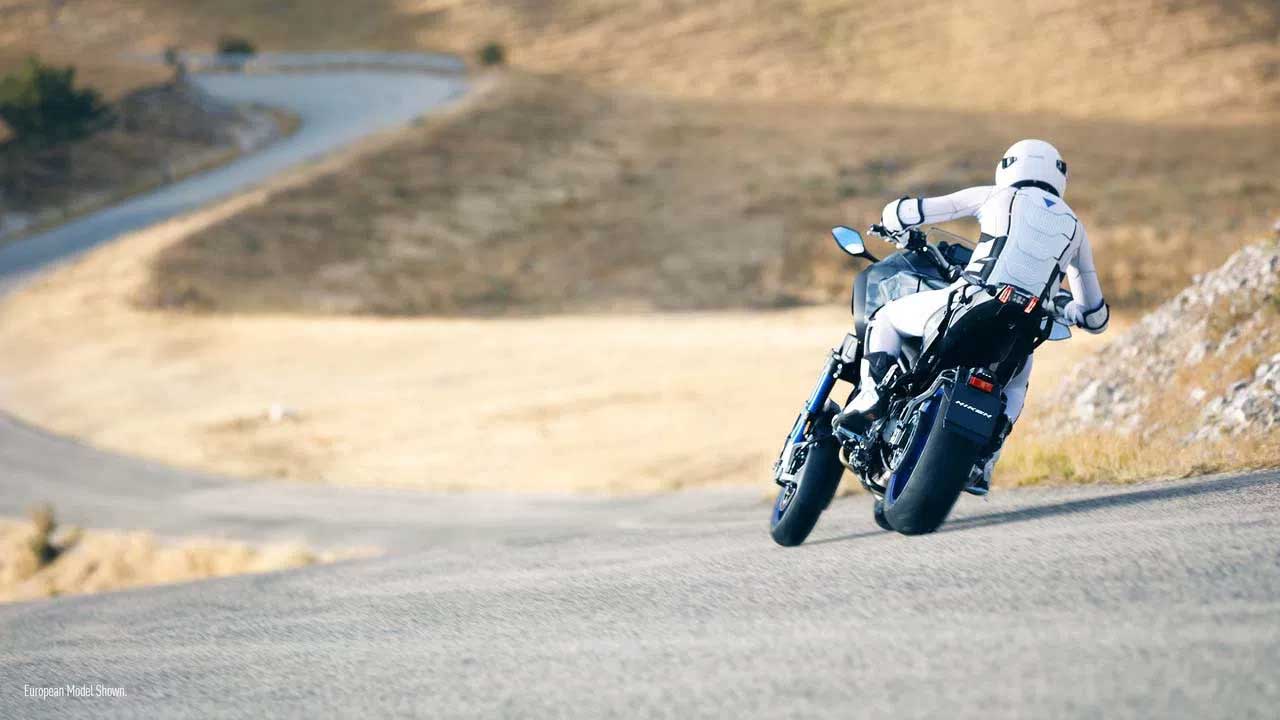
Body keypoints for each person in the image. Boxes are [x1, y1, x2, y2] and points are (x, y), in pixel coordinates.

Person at [836, 139, 1109, 495]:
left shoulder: (996, 196)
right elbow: (1095, 316)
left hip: (968, 304)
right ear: (1060, 177)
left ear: (1008, 166)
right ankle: (985, 460)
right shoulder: (1075, 228)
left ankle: (872, 396)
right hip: (1020, 331)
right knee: (1016, 385)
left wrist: (894, 222)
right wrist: (1068, 308)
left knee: (886, 318)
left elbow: (908, 212)